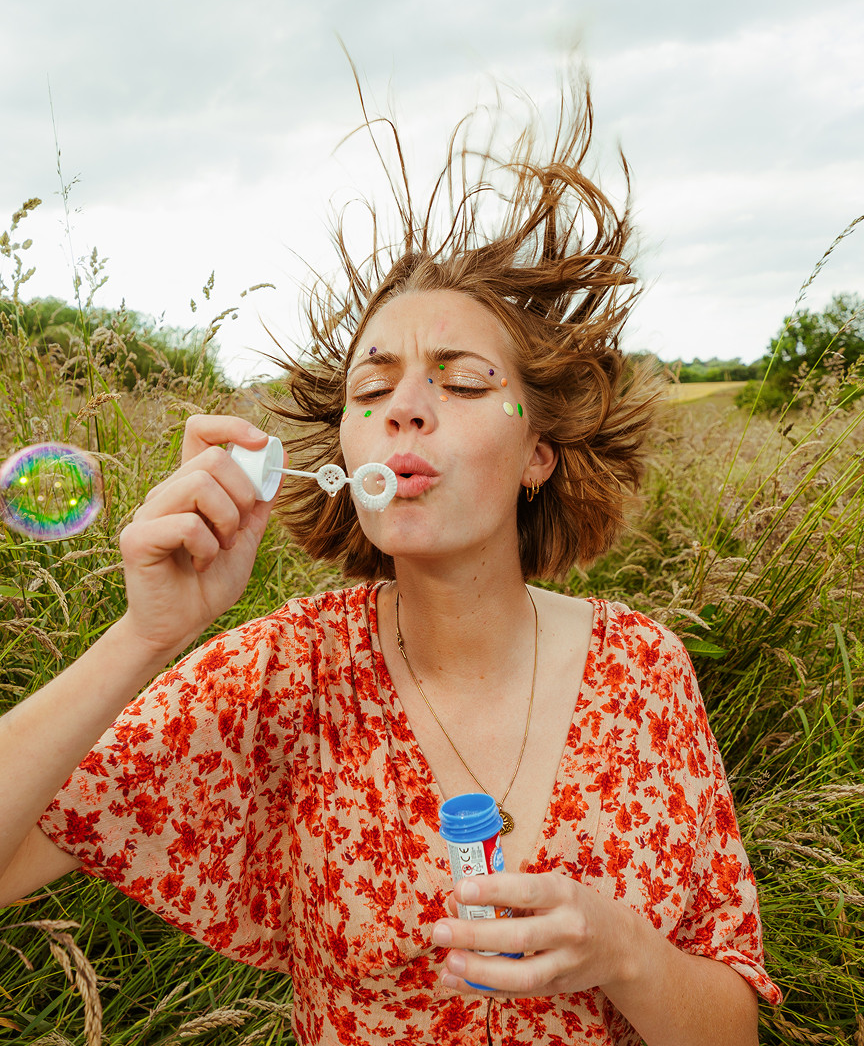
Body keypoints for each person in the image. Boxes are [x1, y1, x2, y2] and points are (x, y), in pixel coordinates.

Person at [0, 73, 781, 1045]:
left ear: (538, 450)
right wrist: (145, 634)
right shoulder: (289, 673)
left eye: (460, 381)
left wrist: (624, 951)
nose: (405, 406)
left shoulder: (642, 671)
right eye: (374, 387)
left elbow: (731, 1032)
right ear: (353, 453)